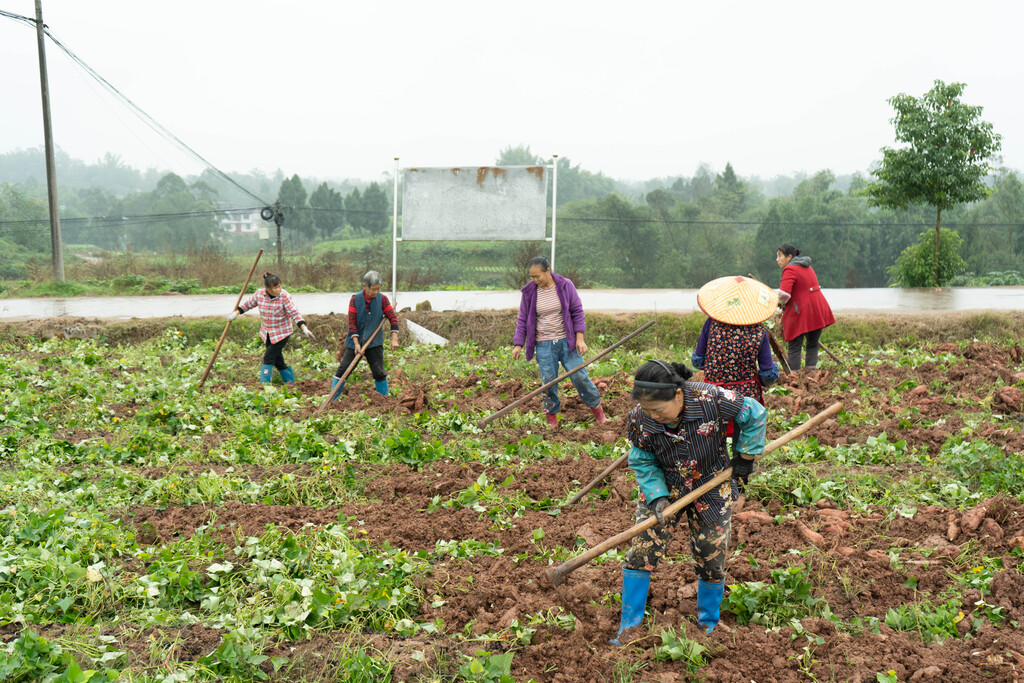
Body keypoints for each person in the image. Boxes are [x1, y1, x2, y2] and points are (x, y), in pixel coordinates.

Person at [612, 360, 766, 644]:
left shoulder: (712, 399)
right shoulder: (639, 419)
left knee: (711, 550)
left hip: (712, 481)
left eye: (658, 409)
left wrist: (744, 457)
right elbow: (642, 458)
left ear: (679, 395)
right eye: (647, 410)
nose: (652, 416)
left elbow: (754, 413)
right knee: (643, 548)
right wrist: (656, 495)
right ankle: (629, 625)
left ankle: (708, 623)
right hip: (664, 485)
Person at [511, 256, 606, 428]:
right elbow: (523, 318)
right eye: (531, 277)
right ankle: (552, 421)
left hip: (567, 342)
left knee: (580, 376)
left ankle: (598, 412)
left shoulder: (564, 285)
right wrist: (518, 344)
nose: (534, 280)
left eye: (537, 276)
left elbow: (577, 311)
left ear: (548, 271)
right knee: (549, 383)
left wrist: (580, 338)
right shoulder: (530, 292)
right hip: (544, 345)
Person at [691, 275, 780, 406]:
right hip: (745, 401)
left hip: (713, 397)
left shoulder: (711, 324)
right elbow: (768, 376)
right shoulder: (760, 331)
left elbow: (698, 361)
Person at [229, 271, 315, 385]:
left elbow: (294, 313)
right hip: (267, 332)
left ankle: (264, 385)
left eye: (279, 286)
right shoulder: (260, 294)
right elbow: (247, 304)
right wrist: (235, 313)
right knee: (278, 359)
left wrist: (304, 328)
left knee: (268, 357)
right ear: (267, 288)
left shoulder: (285, 296)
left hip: (282, 333)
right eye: (275, 287)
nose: (278, 289)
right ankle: (290, 382)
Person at [332, 270, 399, 398]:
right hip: (354, 342)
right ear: (365, 286)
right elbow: (352, 323)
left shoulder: (382, 299)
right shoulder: (355, 300)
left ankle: (384, 399)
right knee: (343, 370)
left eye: (378, 289)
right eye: (373, 289)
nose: (376, 292)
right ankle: (332, 399)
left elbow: (392, 318)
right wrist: (356, 344)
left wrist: (394, 338)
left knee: (379, 372)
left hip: (374, 342)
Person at [775, 243, 836, 372]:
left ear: (789, 257)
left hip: (802, 311)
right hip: (818, 308)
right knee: (812, 343)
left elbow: (784, 295)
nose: (777, 259)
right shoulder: (806, 266)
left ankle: (794, 376)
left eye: (779, 256)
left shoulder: (789, 269)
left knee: (794, 345)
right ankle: (811, 373)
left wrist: (772, 301)